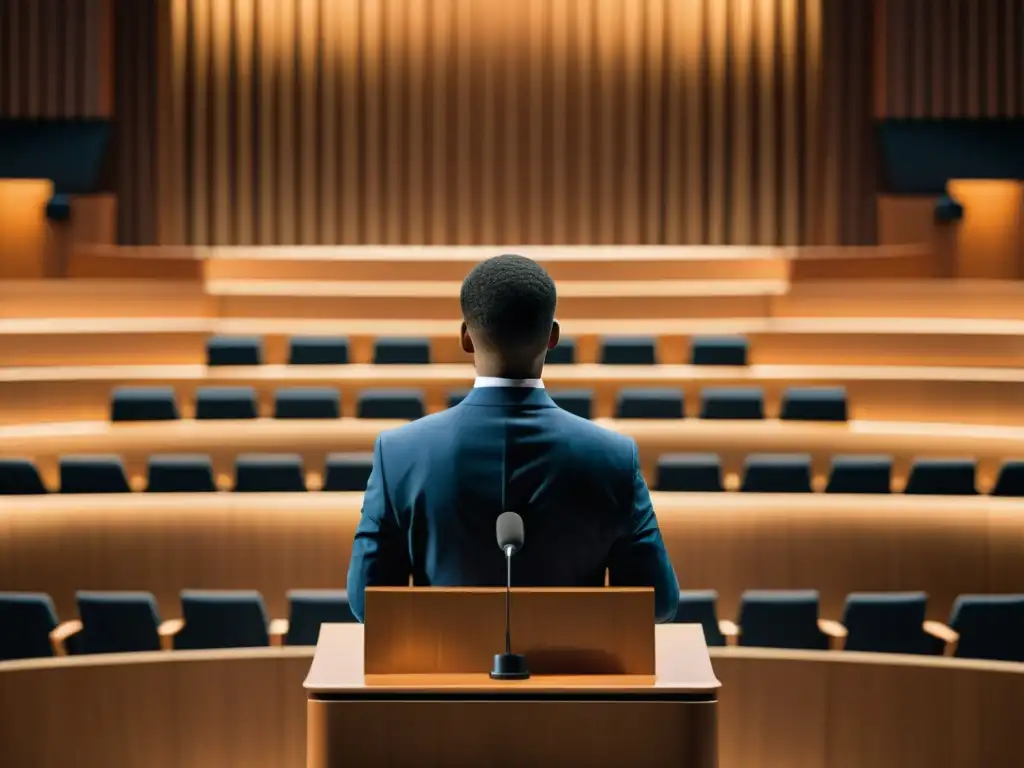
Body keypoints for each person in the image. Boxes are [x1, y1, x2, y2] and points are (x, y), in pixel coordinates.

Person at [346, 253, 680, 622]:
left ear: (465, 338)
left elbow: (367, 603)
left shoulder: (398, 454)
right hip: (572, 676)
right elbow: (657, 603)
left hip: (443, 676)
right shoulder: (615, 457)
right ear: (553, 336)